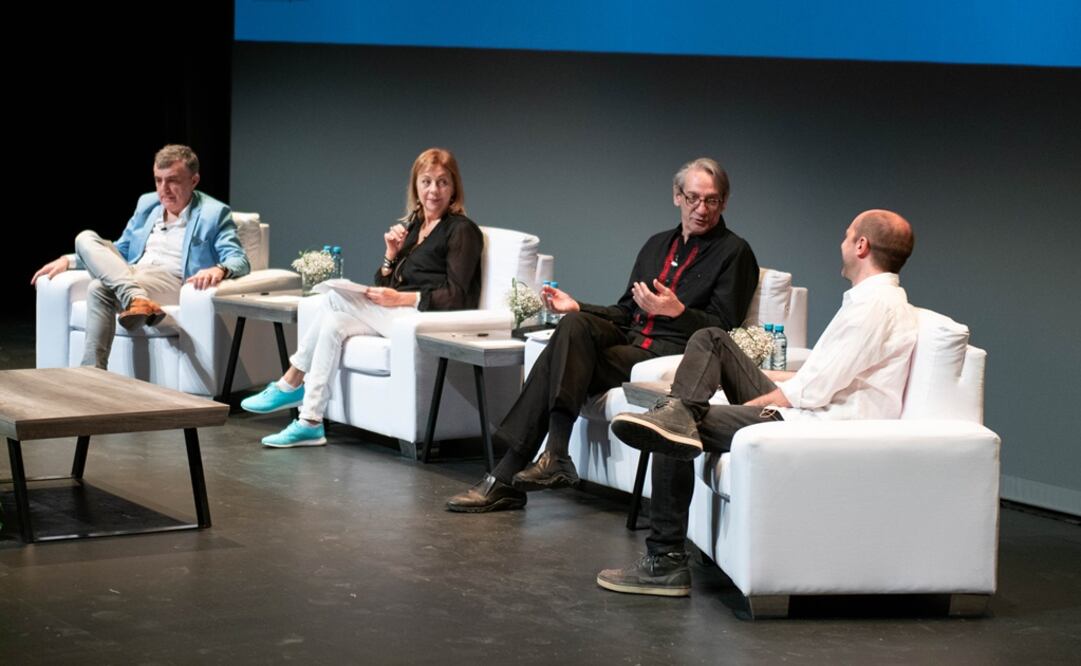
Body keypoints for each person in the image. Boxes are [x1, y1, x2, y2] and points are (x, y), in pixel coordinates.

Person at [599, 209, 918, 597]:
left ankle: (664, 562)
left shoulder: (875, 308)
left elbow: (814, 392)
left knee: (668, 429)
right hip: (808, 407)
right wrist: (763, 383)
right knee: (711, 338)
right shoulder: (872, 301)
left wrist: (757, 403)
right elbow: (821, 374)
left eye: (847, 235)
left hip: (811, 422)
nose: (843, 243)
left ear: (862, 246)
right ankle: (679, 411)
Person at [446, 157, 760, 513]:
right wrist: (577, 307)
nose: (701, 208)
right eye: (693, 198)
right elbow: (626, 310)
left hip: (664, 355)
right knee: (572, 327)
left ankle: (508, 477)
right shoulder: (657, 245)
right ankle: (554, 457)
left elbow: (724, 329)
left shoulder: (736, 253)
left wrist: (678, 312)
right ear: (677, 197)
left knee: (556, 361)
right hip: (629, 339)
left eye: (712, 200)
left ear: (724, 202)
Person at [240, 147, 484, 448]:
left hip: (424, 320)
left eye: (442, 182)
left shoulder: (462, 230)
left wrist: (402, 300)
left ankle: (290, 381)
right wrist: (390, 256)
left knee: (333, 298)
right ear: (416, 187)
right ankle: (310, 422)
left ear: (454, 188)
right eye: (426, 181)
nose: (433, 190)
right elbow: (386, 282)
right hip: (397, 316)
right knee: (332, 322)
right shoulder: (414, 226)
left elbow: (458, 296)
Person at [31, 145, 250, 369]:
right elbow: (123, 250)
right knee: (84, 238)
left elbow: (239, 260)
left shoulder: (214, 213)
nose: (163, 190)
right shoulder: (148, 203)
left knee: (99, 288)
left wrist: (219, 269)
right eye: (158, 180)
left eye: (173, 180)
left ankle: (91, 373)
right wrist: (70, 261)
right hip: (132, 271)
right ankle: (137, 299)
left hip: (170, 279)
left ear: (194, 181)